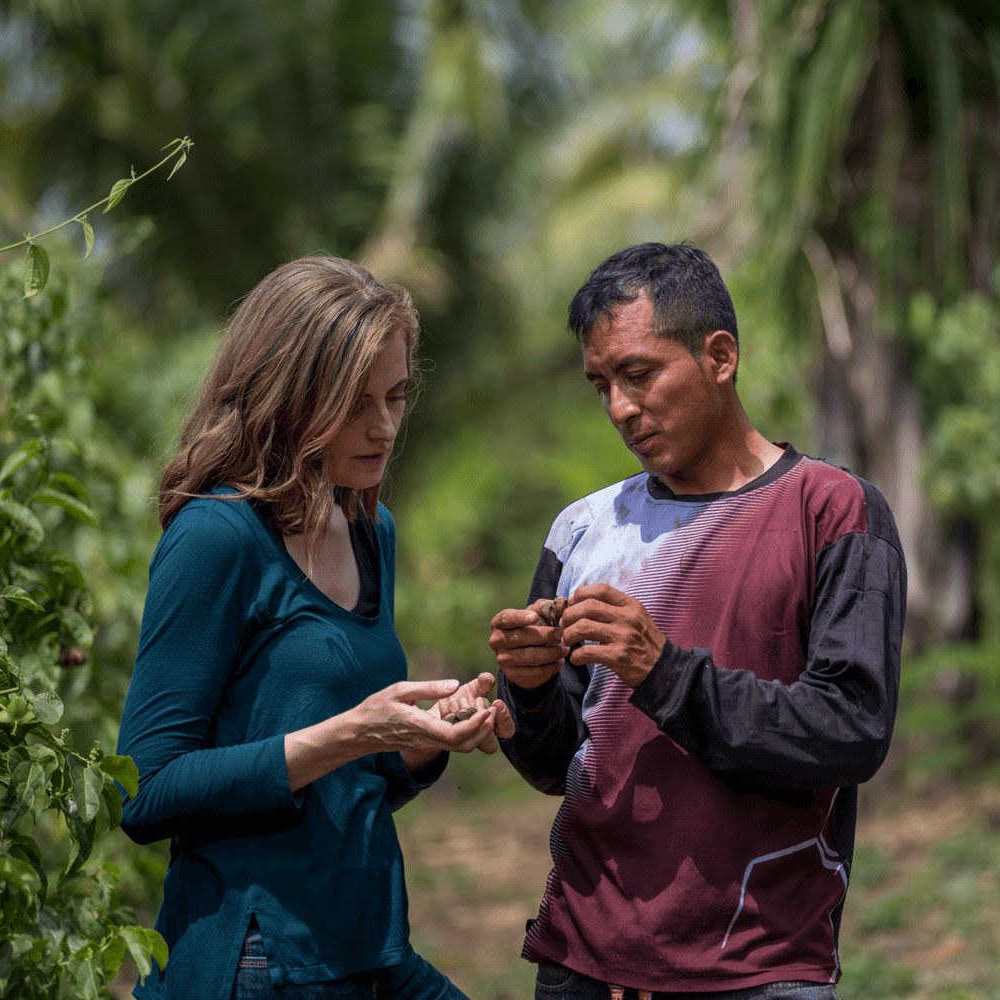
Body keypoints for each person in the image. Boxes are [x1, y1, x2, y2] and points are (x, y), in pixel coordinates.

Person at [488, 242, 907, 999]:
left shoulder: (833, 511)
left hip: (761, 969)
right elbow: (556, 767)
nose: (619, 407)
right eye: (600, 385)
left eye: (639, 374)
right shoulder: (583, 530)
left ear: (719, 357)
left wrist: (664, 672)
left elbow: (851, 730)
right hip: (583, 966)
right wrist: (529, 689)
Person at [117, 256, 514, 1000]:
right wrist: (349, 734)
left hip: (366, 943)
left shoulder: (370, 529)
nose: (385, 426)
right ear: (287, 397)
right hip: (260, 957)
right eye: (356, 403)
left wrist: (417, 743)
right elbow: (142, 791)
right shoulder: (218, 536)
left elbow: (351, 786)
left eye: (396, 397)